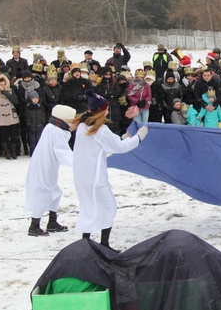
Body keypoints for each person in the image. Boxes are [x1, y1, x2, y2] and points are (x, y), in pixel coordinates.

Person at [73, 89, 148, 251]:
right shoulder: (100, 130)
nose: (108, 110)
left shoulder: (83, 126)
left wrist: (125, 137)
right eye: (106, 108)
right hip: (95, 178)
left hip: (82, 176)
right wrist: (139, 137)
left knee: (88, 208)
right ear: (101, 111)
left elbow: (106, 144)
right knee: (108, 207)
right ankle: (103, 244)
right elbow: (120, 148)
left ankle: (86, 244)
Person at [24, 104, 76, 237]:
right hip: (44, 168)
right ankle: (34, 226)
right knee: (42, 193)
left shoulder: (52, 128)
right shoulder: (56, 132)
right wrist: (77, 161)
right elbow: (62, 152)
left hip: (47, 166)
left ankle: (52, 222)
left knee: (55, 192)